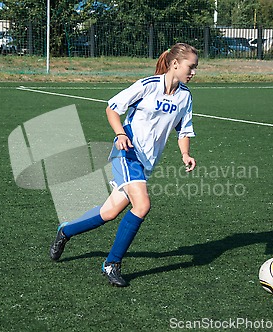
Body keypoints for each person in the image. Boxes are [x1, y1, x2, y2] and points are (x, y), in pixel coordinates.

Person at [48, 43, 199, 287]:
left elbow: (183, 129)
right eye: (190, 67)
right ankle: (112, 263)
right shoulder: (148, 85)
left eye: (195, 68)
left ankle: (65, 231)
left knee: (108, 213)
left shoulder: (185, 96)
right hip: (127, 154)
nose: (193, 73)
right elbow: (112, 108)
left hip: (147, 161)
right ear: (175, 64)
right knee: (142, 205)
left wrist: (185, 154)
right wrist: (120, 135)